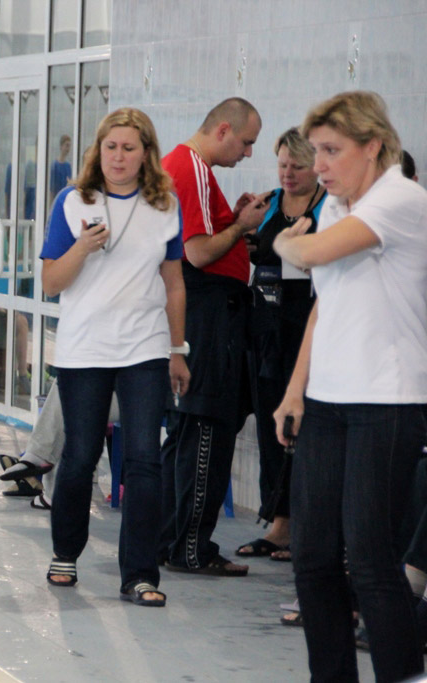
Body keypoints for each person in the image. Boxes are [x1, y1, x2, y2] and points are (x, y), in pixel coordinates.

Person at [273, 90, 427, 683]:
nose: (319, 165)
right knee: (312, 559)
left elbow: (307, 253)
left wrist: (285, 239)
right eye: (316, 151)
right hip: (327, 403)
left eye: (332, 151)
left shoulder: (399, 200)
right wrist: (295, 391)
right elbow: (324, 306)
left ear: (373, 146)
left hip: (387, 403)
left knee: (369, 562)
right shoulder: (338, 207)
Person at [38, 108, 188, 606]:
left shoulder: (165, 206)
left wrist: (177, 349)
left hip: (145, 346)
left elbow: (174, 283)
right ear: (97, 151)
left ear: (146, 154)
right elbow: (51, 282)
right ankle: (65, 552)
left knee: (144, 458)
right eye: (110, 147)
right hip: (85, 348)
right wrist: (82, 247)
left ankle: (140, 574)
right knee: (81, 455)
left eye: (128, 148)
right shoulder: (72, 202)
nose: (118, 157)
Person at [158, 97, 269, 577]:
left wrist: (231, 221)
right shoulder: (193, 169)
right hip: (208, 317)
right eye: (246, 142)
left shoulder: (185, 167)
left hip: (202, 315)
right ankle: (191, 548)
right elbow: (199, 253)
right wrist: (241, 227)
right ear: (223, 130)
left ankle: (171, 541)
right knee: (207, 430)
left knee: (187, 435)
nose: (247, 153)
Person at [235, 128, 326, 563]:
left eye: (298, 167)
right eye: (283, 165)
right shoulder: (269, 202)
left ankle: (310, 525)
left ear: (318, 167)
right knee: (272, 427)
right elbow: (252, 250)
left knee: (306, 428)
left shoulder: (329, 207)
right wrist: (243, 230)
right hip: (265, 327)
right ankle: (280, 523)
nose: (288, 174)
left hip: (307, 327)